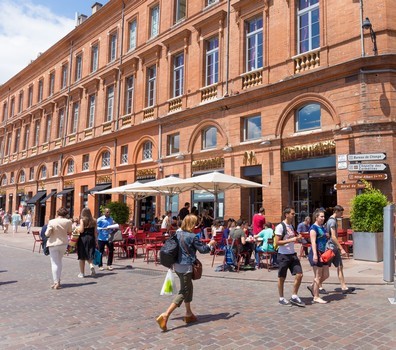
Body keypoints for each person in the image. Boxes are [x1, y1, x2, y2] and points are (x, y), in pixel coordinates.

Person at [156, 214, 216, 331]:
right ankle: (165, 315)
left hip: (177, 266)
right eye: (195, 223)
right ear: (192, 224)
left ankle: (189, 314)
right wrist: (210, 244)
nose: (197, 225)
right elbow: (203, 250)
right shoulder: (192, 236)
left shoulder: (177, 234)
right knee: (184, 291)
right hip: (186, 267)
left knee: (189, 288)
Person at [274, 207, 305, 307]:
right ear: (286, 214)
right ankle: (281, 298)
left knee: (299, 274)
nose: (294, 215)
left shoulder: (291, 226)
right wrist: (292, 240)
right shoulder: (280, 227)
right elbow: (277, 242)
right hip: (283, 255)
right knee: (282, 277)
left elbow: (294, 237)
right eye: (292, 214)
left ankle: (294, 296)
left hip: (292, 254)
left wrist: (298, 238)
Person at [326, 205, 355, 294]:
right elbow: (333, 237)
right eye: (341, 213)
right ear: (336, 212)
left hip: (333, 247)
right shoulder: (332, 221)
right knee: (324, 269)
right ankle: (315, 285)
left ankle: (343, 287)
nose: (342, 215)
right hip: (331, 248)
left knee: (340, 266)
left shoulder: (332, 220)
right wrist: (341, 248)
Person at [45, 207, 72, 290]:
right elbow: (69, 231)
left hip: (53, 243)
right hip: (63, 243)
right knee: (59, 262)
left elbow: (47, 234)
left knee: (54, 263)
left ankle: (56, 282)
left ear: (57, 213)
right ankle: (58, 280)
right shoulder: (68, 221)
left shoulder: (52, 221)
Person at [307, 208, 330, 304]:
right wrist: (315, 255)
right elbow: (313, 243)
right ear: (316, 217)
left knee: (326, 275)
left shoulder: (322, 227)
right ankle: (316, 296)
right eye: (321, 216)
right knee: (318, 275)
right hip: (316, 253)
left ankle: (313, 286)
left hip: (324, 253)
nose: (323, 218)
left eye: (324, 216)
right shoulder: (313, 228)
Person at [77, 208, 97, 278]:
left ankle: (82, 273)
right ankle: (91, 265)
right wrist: (96, 240)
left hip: (83, 239)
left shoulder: (82, 220)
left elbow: (81, 230)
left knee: (82, 256)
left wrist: (77, 228)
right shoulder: (94, 220)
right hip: (91, 238)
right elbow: (95, 232)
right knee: (89, 253)